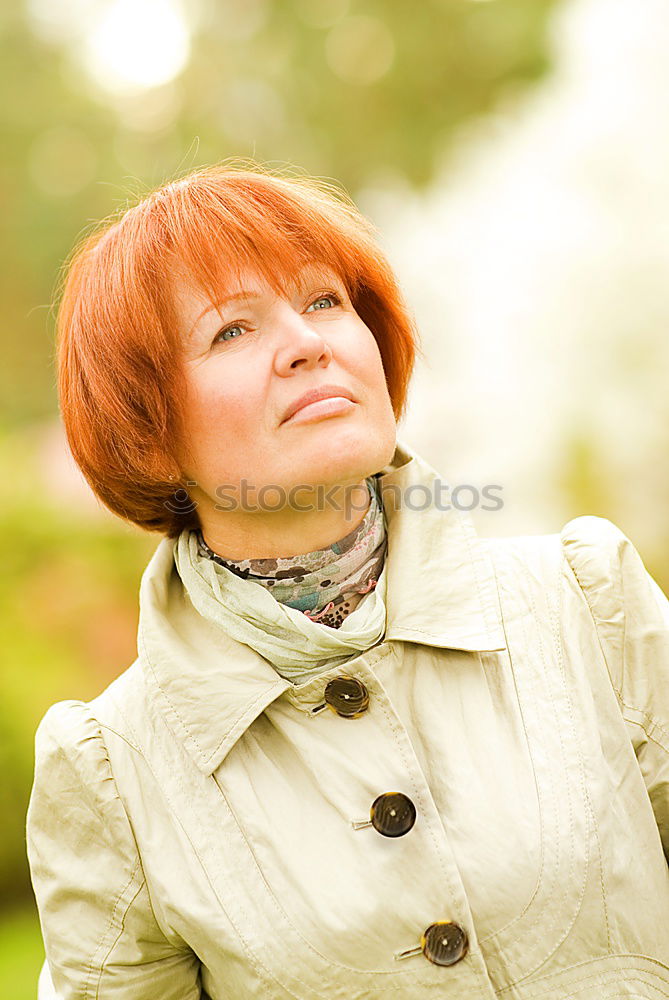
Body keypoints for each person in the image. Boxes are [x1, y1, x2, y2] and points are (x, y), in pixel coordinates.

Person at [26, 162, 669, 1000]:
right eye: (231, 331)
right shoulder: (110, 769)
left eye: (325, 301)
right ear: (145, 434)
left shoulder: (589, 601)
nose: (307, 343)